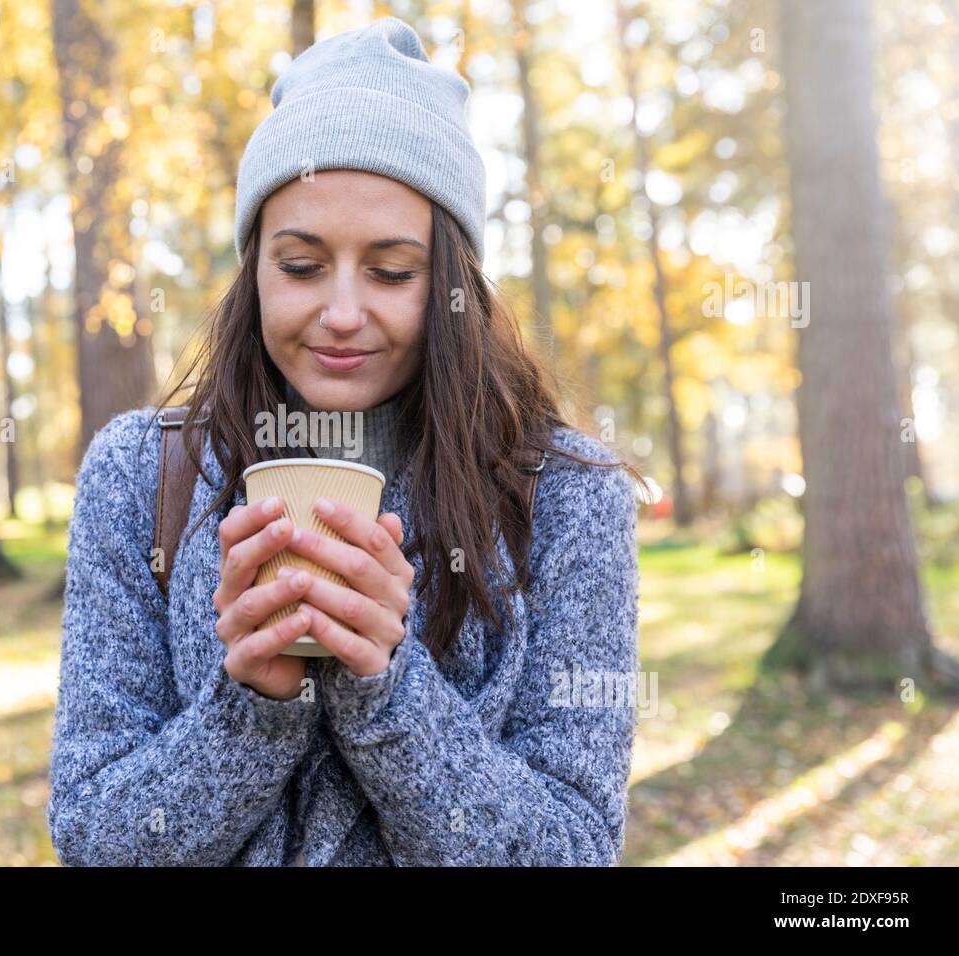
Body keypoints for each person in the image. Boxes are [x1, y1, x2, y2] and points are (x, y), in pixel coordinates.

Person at [47, 15, 648, 866]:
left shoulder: (565, 495)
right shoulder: (143, 475)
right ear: (253, 268)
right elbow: (96, 841)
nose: (340, 313)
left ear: (453, 285)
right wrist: (250, 707)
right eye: (299, 265)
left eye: (392, 272)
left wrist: (388, 689)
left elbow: (576, 850)